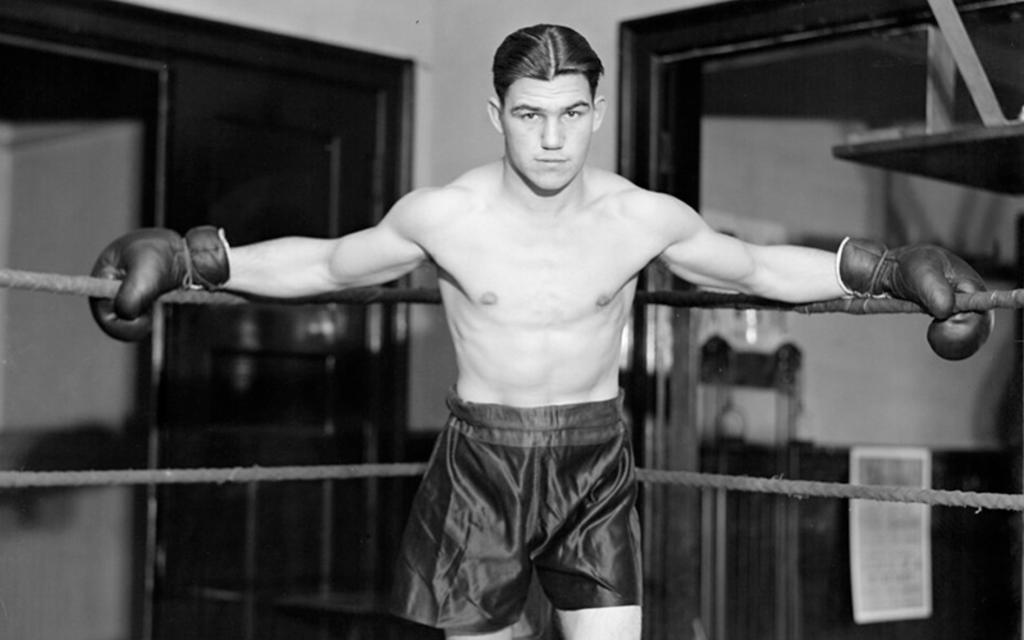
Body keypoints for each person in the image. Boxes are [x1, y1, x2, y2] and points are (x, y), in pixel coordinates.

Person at [88, 24, 991, 640]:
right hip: (481, 459)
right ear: (497, 116)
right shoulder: (445, 215)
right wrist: (196, 257)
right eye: (529, 114)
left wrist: (881, 268)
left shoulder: (643, 218)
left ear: (596, 112)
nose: (551, 139)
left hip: (595, 460)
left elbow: (754, 268)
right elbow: (329, 265)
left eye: (569, 114)